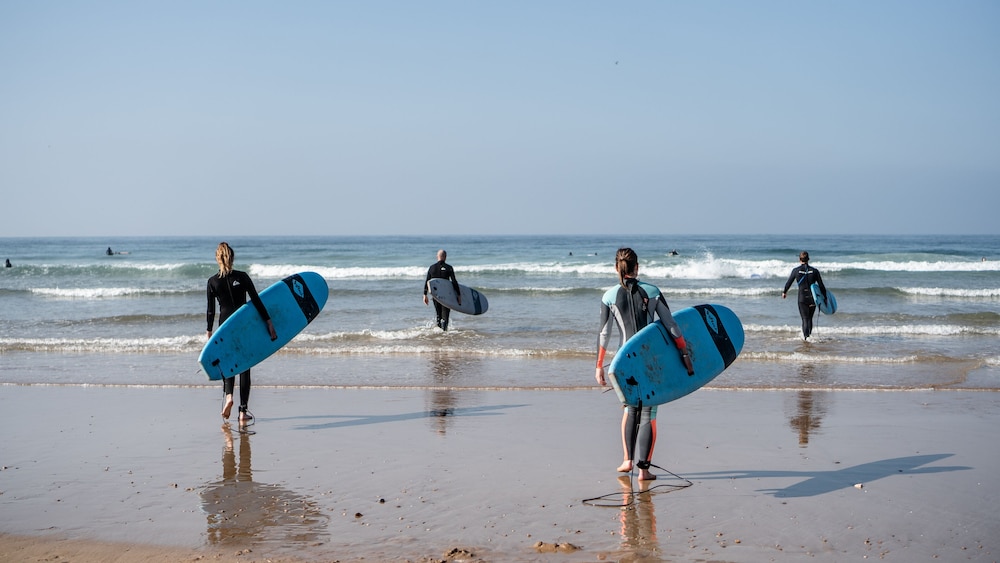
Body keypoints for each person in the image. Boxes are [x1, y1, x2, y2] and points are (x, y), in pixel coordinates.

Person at [595, 248, 694, 481]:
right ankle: (644, 471)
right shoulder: (653, 291)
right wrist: (684, 354)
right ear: (637, 267)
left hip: (622, 362)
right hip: (649, 361)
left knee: (630, 409)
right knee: (649, 413)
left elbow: (604, 333)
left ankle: (627, 460)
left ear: (615, 268)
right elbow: (672, 326)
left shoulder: (608, 296)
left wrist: (599, 365)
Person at [206, 242, 276, 425]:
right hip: (243, 325)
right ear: (233, 257)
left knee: (228, 363)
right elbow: (256, 302)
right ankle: (243, 411)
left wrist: (209, 332)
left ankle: (229, 395)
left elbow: (210, 311)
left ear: (217, 258)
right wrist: (268, 322)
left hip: (224, 327)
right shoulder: (242, 277)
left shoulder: (212, 282)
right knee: (245, 366)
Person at [782, 251, 828, 340]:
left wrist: (785, 292)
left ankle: (806, 339)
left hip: (802, 298)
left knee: (805, 319)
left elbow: (789, 283)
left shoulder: (796, 271)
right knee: (810, 318)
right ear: (808, 259)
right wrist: (825, 298)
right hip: (813, 298)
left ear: (799, 259)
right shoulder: (815, 271)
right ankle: (809, 337)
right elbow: (821, 286)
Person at [422, 249, 461, 331]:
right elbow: (454, 282)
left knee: (438, 315)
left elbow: (427, 281)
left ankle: (439, 333)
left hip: (435, 296)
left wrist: (425, 295)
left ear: (437, 257)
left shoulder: (432, 268)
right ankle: (444, 332)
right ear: (445, 257)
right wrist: (458, 295)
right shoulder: (449, 268)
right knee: (445, 315)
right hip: (446, 295)